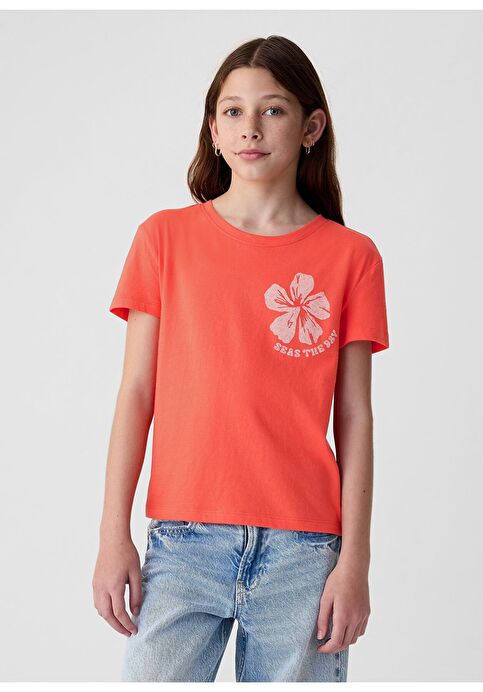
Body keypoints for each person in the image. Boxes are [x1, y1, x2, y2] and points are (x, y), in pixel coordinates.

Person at [92, 34, 390, 683]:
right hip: (183, 542)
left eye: (272, 109)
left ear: (311, 127)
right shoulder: (164, 239)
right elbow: (136, 392)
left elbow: (355, 417)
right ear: (213, 128)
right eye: (232, 111)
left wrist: (355, 563)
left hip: (304, 553)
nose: (250, 127)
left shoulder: (351, 257)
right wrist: (113, 534)